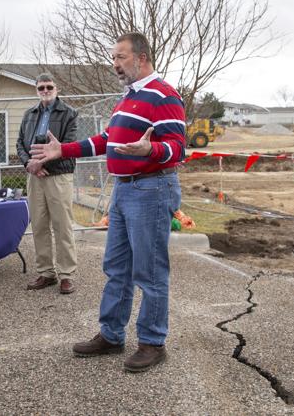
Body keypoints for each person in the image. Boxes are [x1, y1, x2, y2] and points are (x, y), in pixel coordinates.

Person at [31, 32, 185, 372]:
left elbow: (178, 147)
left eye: (120, 57)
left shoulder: (164, 95)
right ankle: (112, 335)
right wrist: (64, 150)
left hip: (151, 189)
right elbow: (106, 140)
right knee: (117, 267)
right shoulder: (128, 98)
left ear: (141, 58)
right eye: (113, 58)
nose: (114, 64)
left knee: (150, 271)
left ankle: (152, 342)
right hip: (124, 191)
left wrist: (152, 150)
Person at [16, 73, 79, 294]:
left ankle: (66, 274)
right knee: (39, 226)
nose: (45, 91)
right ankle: (46, 272)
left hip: (58, 176)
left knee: (62, 226)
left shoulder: (69, 114)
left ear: (56, 88)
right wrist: (29, 164)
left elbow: (69, 146)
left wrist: (41, 163)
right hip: (34, 177)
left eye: (49, 87)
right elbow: (20, 144)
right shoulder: (29, 114)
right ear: (36, 90)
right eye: (41, 88)